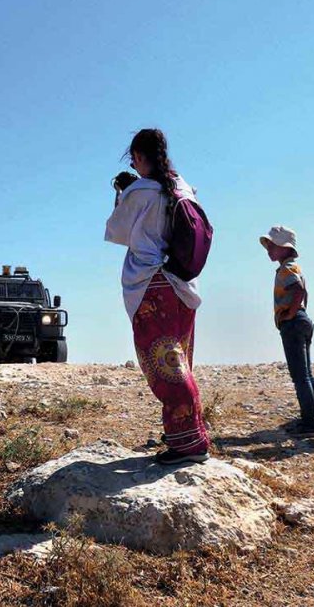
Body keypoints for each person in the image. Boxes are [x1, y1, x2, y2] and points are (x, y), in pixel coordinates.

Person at [105, 128, 210, 465]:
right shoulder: (185, 187)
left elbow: (119, 232)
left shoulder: (141, 191)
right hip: (182, 283)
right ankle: (186, 434)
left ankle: (190, 445)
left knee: (166, 366)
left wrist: (123, 193)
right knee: (180, 362)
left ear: (139, 157)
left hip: (152, 283)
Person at [260, 226, 314, 437]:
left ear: (285, 248)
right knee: (307, 375)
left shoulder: (287, 269)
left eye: (273, 245)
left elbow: (298, 291)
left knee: (300, 377)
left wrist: (289, 314)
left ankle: (310, 423)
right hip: (301, 321)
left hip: (293, 323)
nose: (269, 249)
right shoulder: (291, 267)